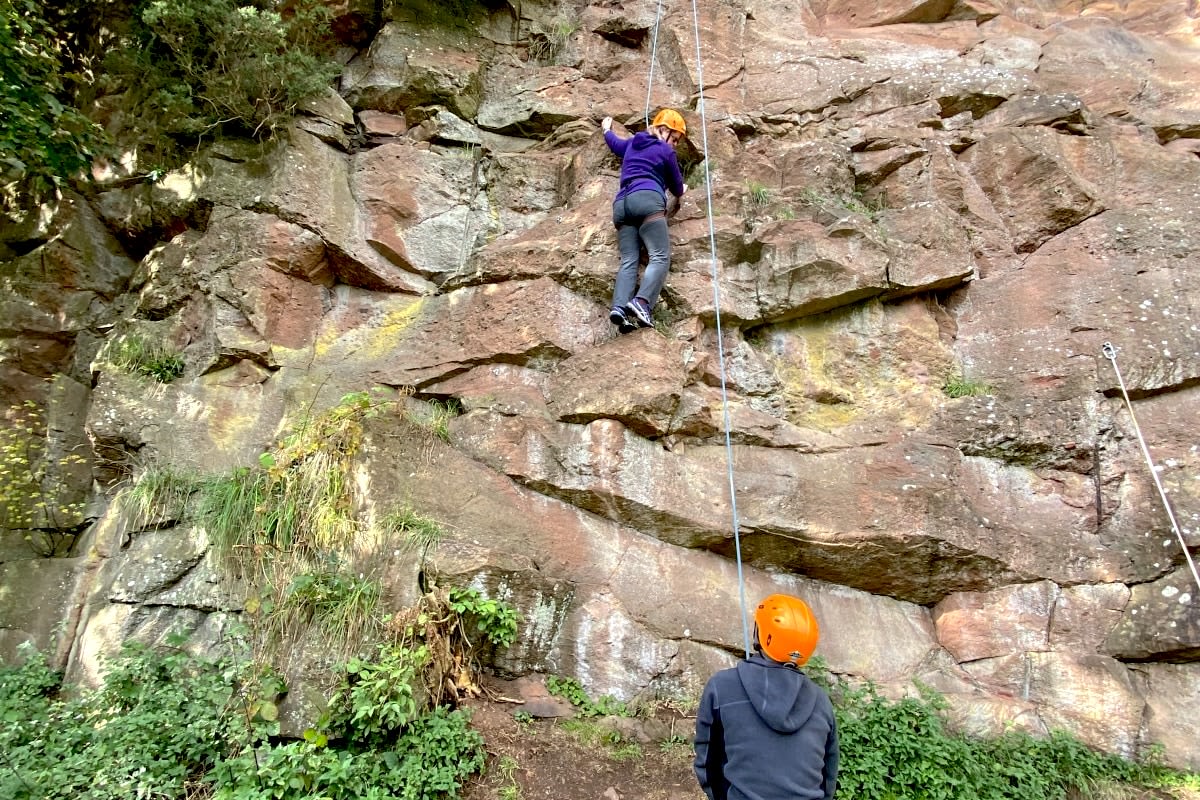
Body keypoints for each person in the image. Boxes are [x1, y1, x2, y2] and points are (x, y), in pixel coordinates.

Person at [693, 594, 839, 800]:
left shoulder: (722, 687)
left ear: (759, 634)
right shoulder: (821, 701)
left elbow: (708, 764)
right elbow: (828, 777)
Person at [601, 109, 688, 333]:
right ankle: (642, 302)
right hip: (647, 200)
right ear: (664, 130)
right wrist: (682, 190)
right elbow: (677, 187)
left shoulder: (632, 143)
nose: (675, 144)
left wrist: (606, 130)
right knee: (660, 256)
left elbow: (615, 144)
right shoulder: (665, 151)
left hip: (621, 205)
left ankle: (619, 307)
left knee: (629, 259)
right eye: (675, 139)